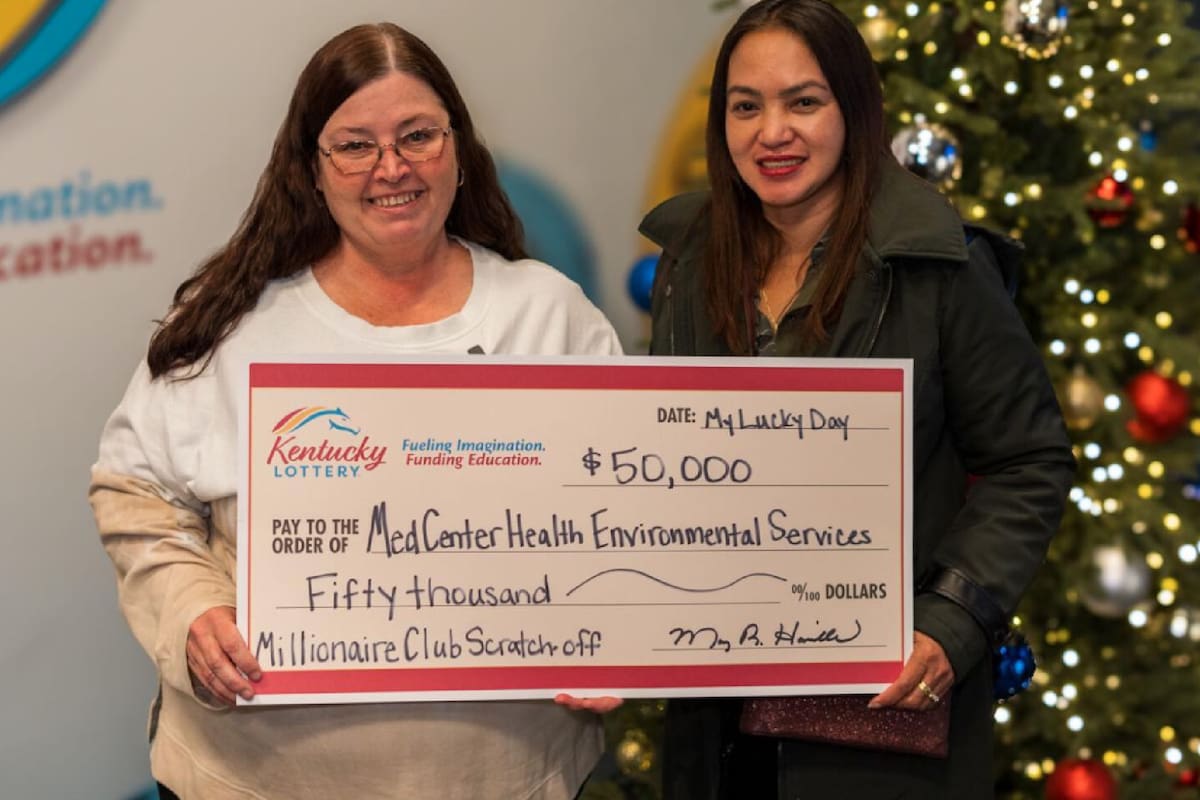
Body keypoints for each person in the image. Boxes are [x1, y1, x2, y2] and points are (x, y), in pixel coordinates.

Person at [89, 22, 622, 800]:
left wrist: (614, 639)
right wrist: (193, 611)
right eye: (356, 145)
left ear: (459, 151)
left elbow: (622, 512)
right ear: (313, 169)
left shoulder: (549, 316)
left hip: (502, 776)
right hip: (253, 778)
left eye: (418, 136)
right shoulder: (230, 325)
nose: (392, 168)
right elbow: (134, 495)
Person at [638, 1, 1074, 797]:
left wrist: (950, 622)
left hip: (878, 715)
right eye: (746, 105)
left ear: (854, 109)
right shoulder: (690, 265)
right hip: (717, 715)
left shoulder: (939, 265)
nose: (773, 132)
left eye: (804, 101)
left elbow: (1029, 463)